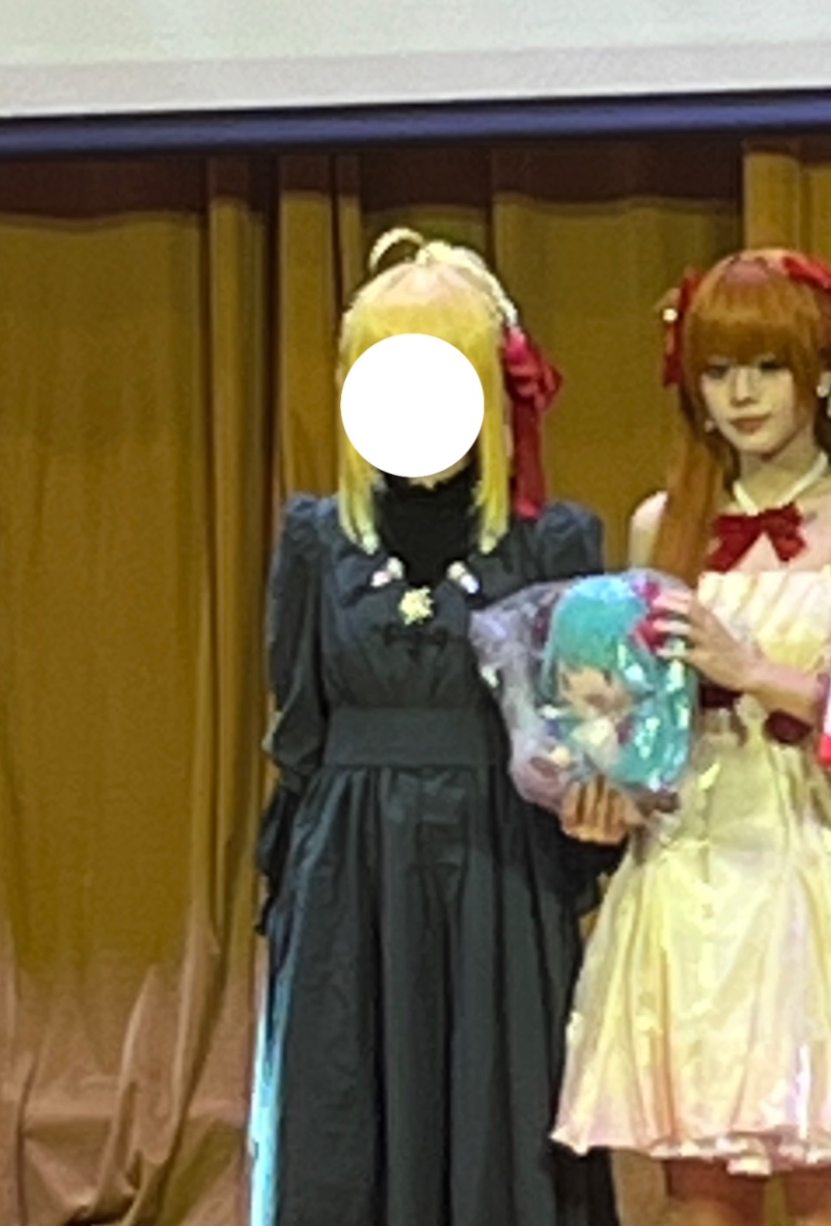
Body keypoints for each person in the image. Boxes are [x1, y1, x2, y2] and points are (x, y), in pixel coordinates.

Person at [549, 248, 831, 1226]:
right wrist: (603, 785)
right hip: (690, 869)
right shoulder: (661, 524)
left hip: (822, 862)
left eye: (765, 366)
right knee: (697, 1196)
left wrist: (754, 670)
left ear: (820, 373)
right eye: (718, 370)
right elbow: (641, 724)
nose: (741, 394)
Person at [251, 230, 620, 1226]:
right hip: (350, 874)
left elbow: (582, 731)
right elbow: (298, 726)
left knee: (502, 1116)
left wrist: (590, 820)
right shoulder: (314, 538)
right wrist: (294, 882)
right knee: (348, 1113)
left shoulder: (552, 542)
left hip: (501, 866)